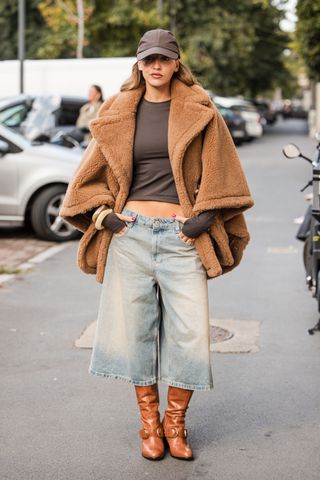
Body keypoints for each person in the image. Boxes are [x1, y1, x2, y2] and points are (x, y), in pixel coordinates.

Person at [59, 28, 254, 461]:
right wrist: (104, 216)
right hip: (130, 235)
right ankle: (149, 425)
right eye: (149, 59)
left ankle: (175, 424)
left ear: (176, 62)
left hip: (183, 240)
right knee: (135, 334)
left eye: (164, 59)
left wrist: (200, 221)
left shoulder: (201, 110)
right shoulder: (120, 109)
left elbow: (226, 176)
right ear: (139, 64)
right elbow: (88, 179)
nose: (156, 66)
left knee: (189, 334)